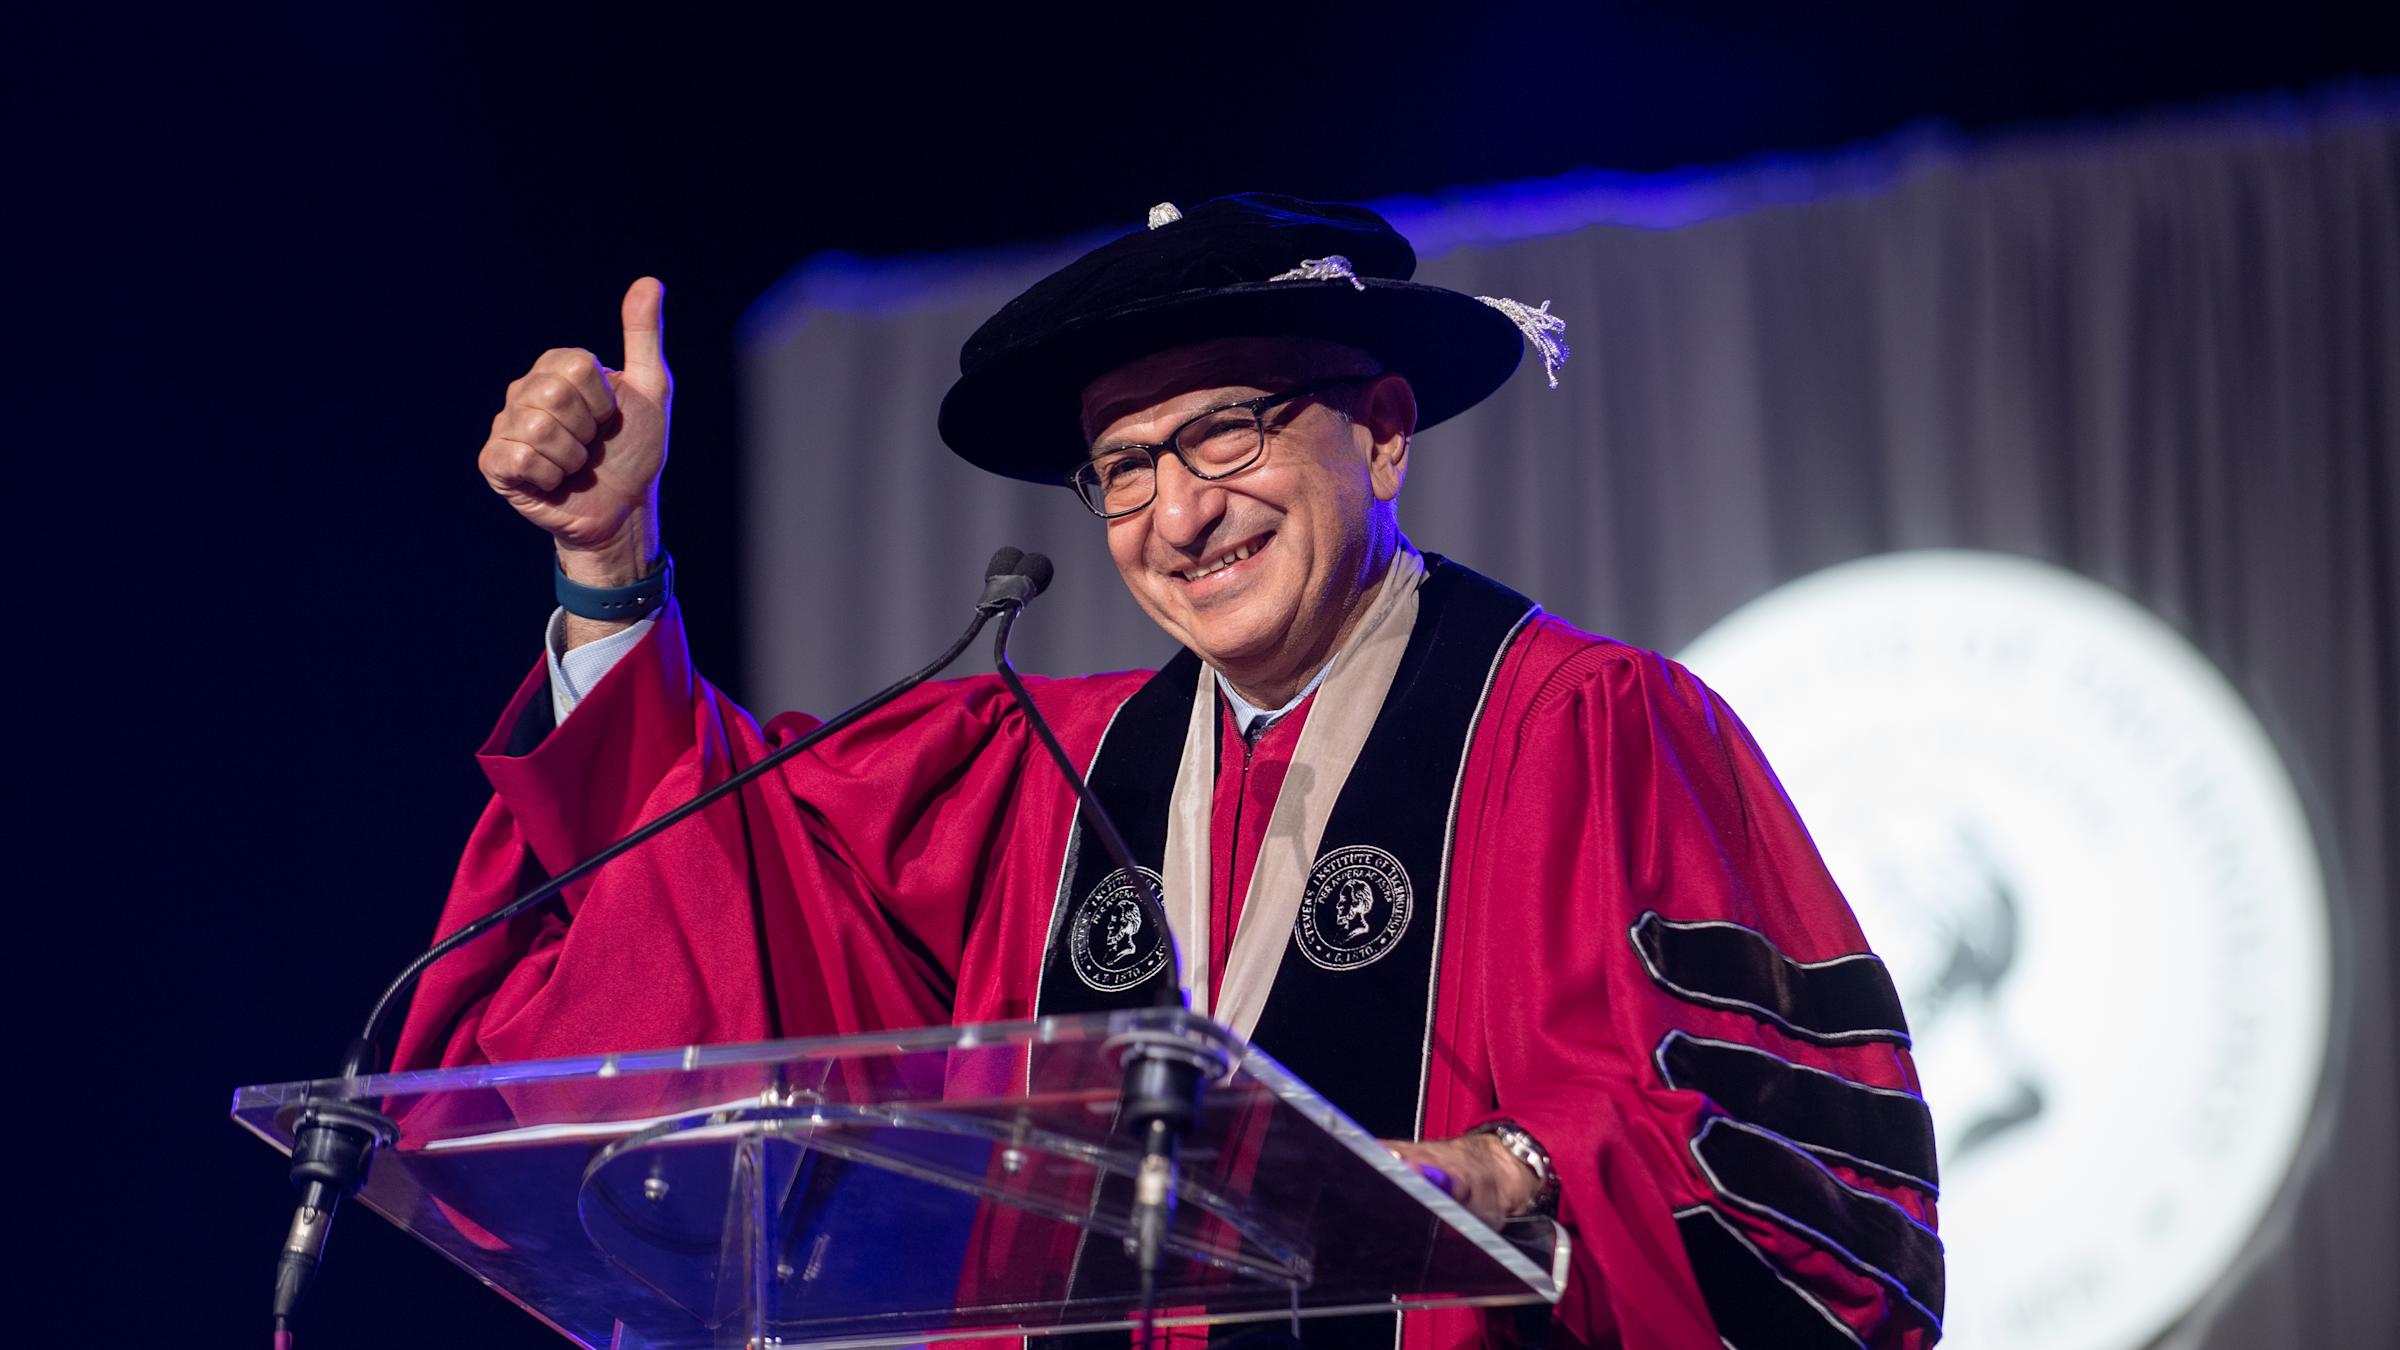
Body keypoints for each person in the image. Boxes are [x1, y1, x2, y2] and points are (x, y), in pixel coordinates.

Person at [398, 195, 1942, 1349]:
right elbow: (711, 863)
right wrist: (610, 561)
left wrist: (1506, 1168)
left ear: (1381, 433)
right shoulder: (1036, 774)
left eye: (1226, 433)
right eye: (1125, 468)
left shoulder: (1591, 729)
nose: (1180, 515)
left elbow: (1804, 1185)